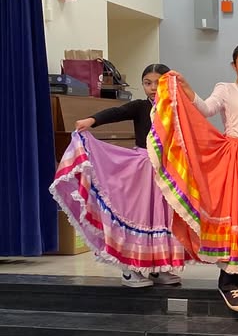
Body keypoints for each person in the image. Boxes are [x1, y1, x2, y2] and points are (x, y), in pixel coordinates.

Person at [150, 42, 238, 314]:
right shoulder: (225, 88)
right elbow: (205, 109)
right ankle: (228, 280)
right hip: (236, 161)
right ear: (234, 66)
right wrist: (185, 88)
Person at [50, 64, 185, 287]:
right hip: (143, 169)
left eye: (158, 83)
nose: (152, 88)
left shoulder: (176, 109)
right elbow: (117, 112)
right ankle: (129, 269)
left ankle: (157, 268)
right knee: (139, 215)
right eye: (147, 83)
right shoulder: (142, 107)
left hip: (168, 171)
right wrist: (91, 120)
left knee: (161, 217)